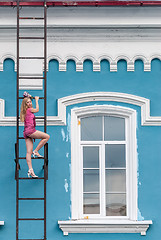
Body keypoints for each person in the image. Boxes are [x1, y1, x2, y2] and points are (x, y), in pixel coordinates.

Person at [20, 95, 50, 178]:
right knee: (47, 136)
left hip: (26, 132)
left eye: (30, 102)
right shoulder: (29, 110)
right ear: (25, 104)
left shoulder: (25, 111)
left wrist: (30, 97)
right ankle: (36, 151)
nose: (29, 103)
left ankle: (30, 170)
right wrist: (36, 100)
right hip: (30, 130)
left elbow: (28, 97)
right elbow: (37, 109)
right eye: (28, 102)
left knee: (28, 152)